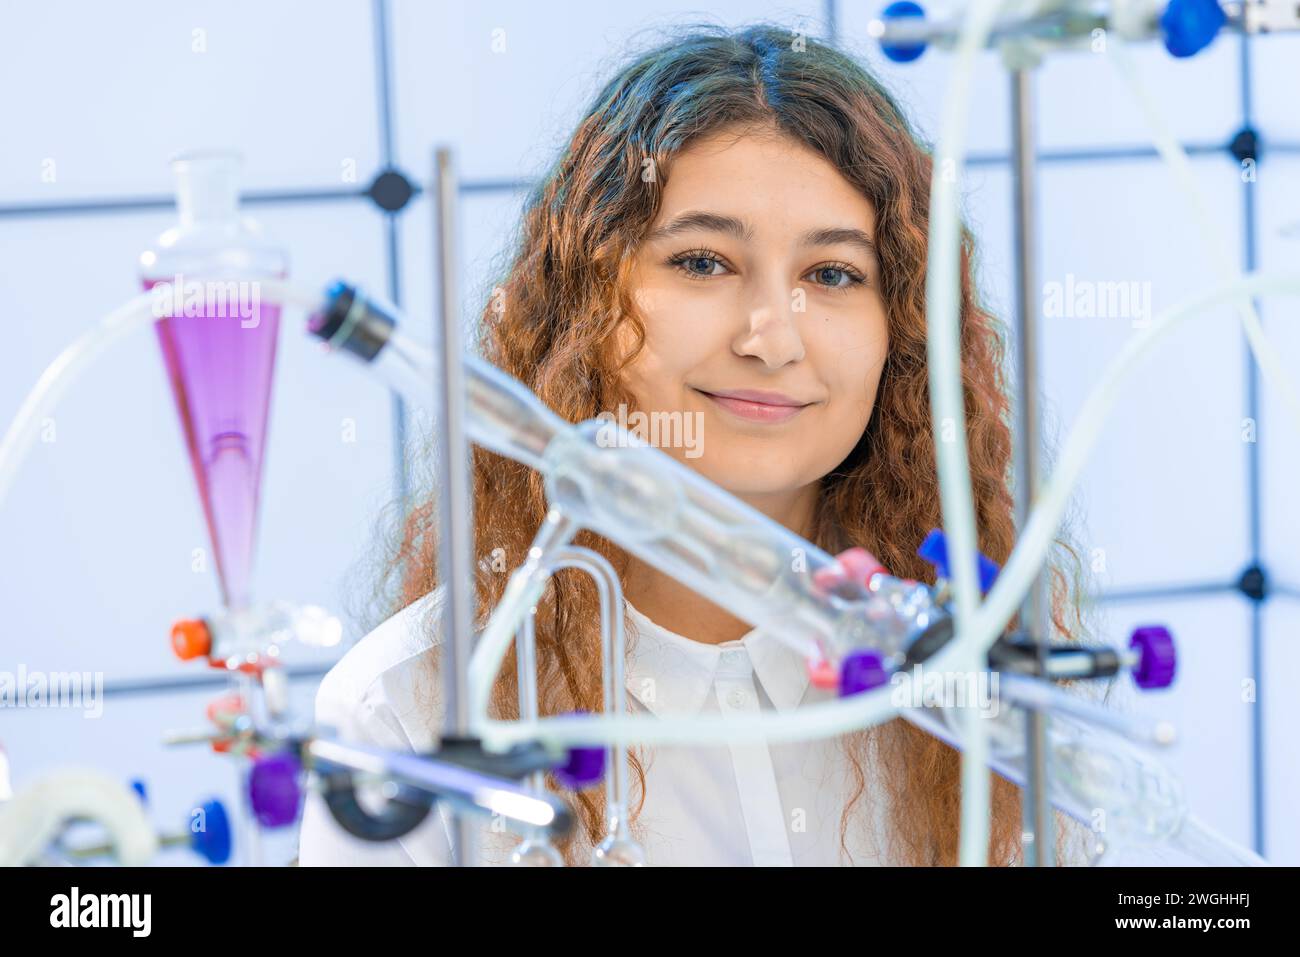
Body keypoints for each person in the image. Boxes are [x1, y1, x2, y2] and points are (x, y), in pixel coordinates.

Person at [297, 22, 1089, 867]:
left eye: (832, 275)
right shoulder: (408, 716)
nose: (772, 339)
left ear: (902, 329)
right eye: (703, 262)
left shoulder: (980, 679)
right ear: (585, 310)